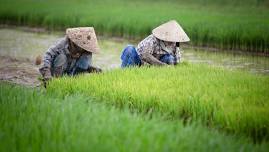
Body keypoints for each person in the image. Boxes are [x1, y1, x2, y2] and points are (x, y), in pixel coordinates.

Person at [120, 20, 190, 67]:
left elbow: (177, 61)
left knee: (170, 58)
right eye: (169, 38)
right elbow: (145, 55)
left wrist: (172, 64)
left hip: (153, 66)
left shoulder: (174, 44)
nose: (171, 41)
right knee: (129, 49)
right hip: (139, 62)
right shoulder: (152, 40)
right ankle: (124, 73)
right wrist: (163, 66)